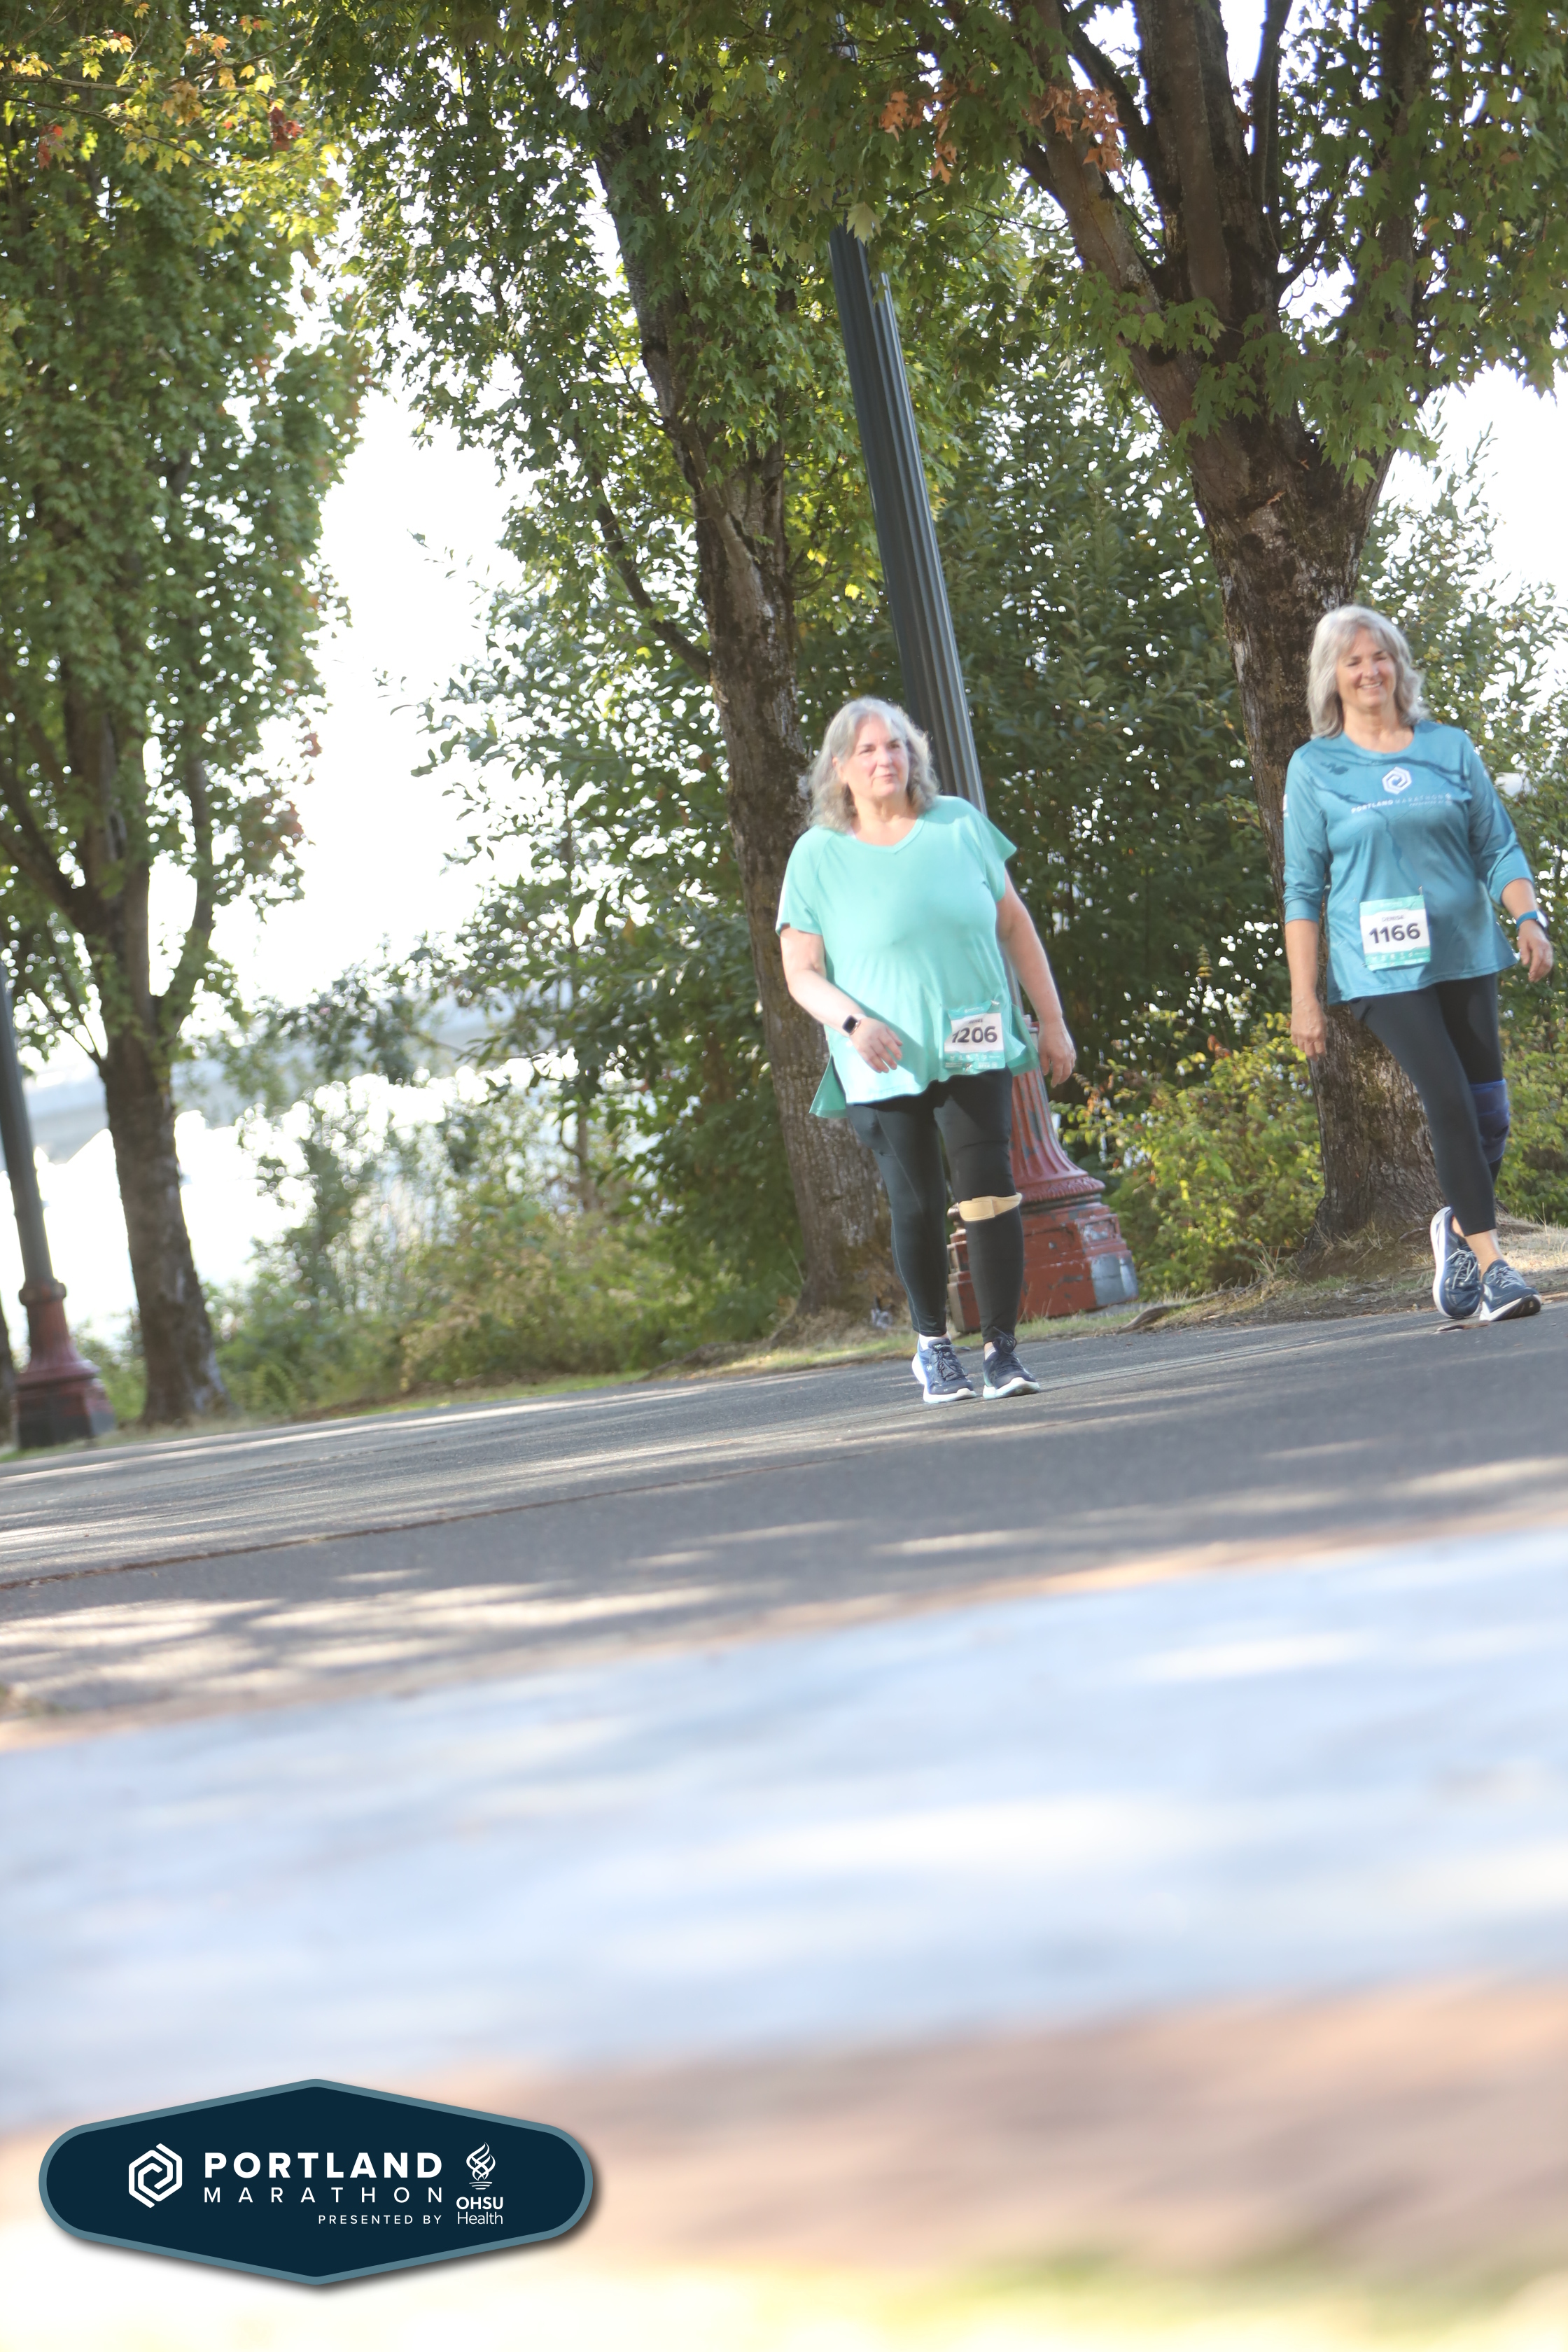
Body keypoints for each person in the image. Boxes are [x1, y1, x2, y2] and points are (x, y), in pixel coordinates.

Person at [778, 696, 1076, 1402]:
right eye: (869, 750)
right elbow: (800, 973)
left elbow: (1015, 925)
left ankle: (1001, 1351)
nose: (886, 759)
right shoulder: (817, 854)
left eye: (896, 746)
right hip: (881, 1057)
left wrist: (1052, 1020)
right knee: (917, 1202)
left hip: (972, 1036)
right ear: (840, 768)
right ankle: (933, 1347)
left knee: (990, 1190)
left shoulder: (959, 825)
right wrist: (855, 1024)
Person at [1282, 605, 1553, 1324]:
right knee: (1450, 1100)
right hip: (1379, 967)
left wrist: (1527, 918)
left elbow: (1496, 845)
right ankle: (1495, 1270)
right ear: (1331, 678)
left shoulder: (1447, 747)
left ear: (1398, 666)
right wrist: (1304, 997)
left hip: (1464, 948)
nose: (1369, 671)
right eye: (1353, 661)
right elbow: (1302, 888)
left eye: (1380, 657)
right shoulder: (1314, 767)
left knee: (1490, 1114)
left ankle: (1456, 1230)